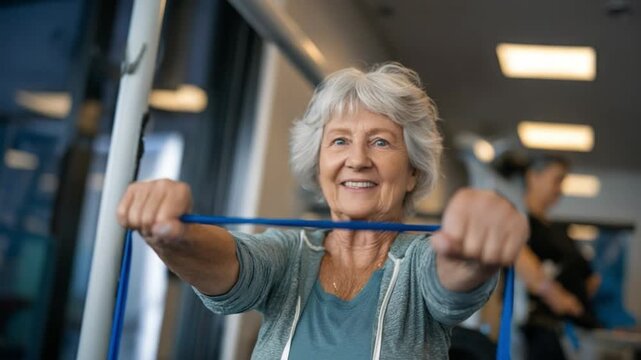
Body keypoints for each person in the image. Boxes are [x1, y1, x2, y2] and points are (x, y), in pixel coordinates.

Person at [117, 63, 528, 359]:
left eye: (381, 142)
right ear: (318, 166)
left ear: (412, 173)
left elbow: (454, 275)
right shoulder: (287, 253)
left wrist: (474, 240)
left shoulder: (421, 264)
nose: (358, 160)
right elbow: (233, 264)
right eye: (339, 142)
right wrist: (172, 234)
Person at [518, 155, 601, 360]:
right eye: (557, 180)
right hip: (541, 328)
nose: (560, 189)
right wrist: (558, 297)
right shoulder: (518, 222)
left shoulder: (557, 230)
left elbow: (589, 276)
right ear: (533, 177)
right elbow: (519, 258)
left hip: (571, 327)